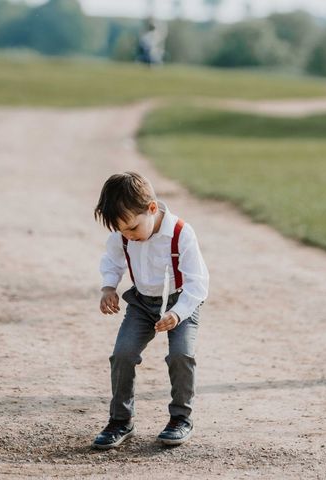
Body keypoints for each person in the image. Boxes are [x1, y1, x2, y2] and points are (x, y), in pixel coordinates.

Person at [92, 172, 209, 449]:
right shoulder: (124, 235)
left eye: (132, 228)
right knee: (122, 354)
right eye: (122, 231)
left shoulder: (181, 233)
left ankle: (180, 418)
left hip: (181, 303)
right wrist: (109, 287)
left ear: (152, 209)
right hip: (142, 304)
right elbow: (112, 261)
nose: (128, 236)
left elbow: (198, 283)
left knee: (181, 354)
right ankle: (121, 420)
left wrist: (177, 314)